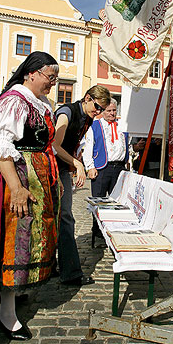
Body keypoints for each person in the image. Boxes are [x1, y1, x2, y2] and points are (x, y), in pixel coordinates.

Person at [0, 51, 61, 341]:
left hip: (37, 179)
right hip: (17, 180)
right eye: (50, 77)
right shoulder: (14, 100)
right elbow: (1, 145)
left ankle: (11, 296)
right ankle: (6, 311)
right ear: (31, 73)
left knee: (30, 239)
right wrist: (16, 188)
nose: (53, 83)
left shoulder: (42, 103)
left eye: (55, 78)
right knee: (15, 241)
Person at [53, 85, 111, 285]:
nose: (98, 112)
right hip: (50, 169)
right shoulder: (67, 112)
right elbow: (54, 145)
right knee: (65, 218)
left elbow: (72, 144)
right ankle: (70, 272)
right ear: (87, 98)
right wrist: (76, 163)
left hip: (62, 169)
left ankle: (52, 266)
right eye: (97, 107)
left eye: (101, 110)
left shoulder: (88, 118)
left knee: (58, 217)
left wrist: (75, 159)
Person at [82, 98, 130, 247]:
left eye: (114, 110)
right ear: (102, 111)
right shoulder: (95, 126)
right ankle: (97, 232)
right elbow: (88, 147)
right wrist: (90, 166)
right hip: (102, 168)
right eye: (108, 110)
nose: (112, 113)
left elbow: (125, 145)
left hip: (119, 168)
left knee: (118, 202)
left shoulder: (121, 126)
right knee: (99, 202)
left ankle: (114, 231)